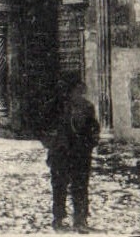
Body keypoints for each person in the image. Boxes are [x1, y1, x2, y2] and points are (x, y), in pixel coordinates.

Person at [46, 77, 100, 232]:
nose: (80, 92)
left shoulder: (87, 107)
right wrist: (52, 143)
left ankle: (80, 220)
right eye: (77, 89)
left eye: (81, 90)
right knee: (59, 186)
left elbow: (94, 128)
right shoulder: (57, 107)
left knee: (81, 187)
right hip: (60, 153)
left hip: (80, 154)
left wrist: (90, 143)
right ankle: (58, 219)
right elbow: (44, 126)